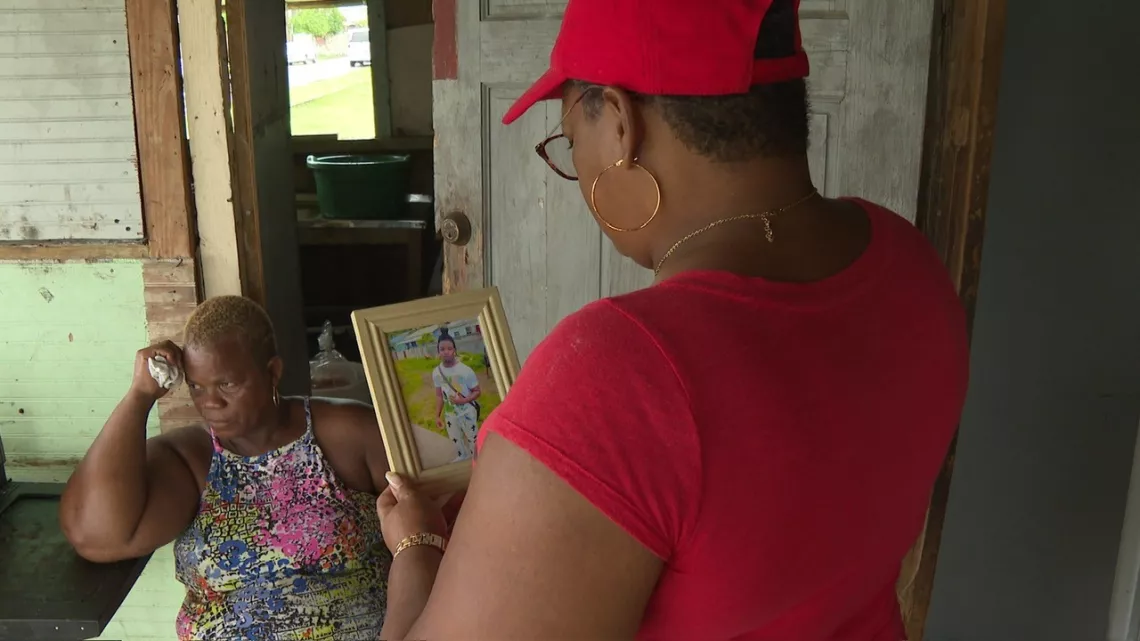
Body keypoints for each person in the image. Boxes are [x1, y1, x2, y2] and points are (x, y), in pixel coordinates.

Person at [374, 0, 969, 639]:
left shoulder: (617, 374)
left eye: (571, 141)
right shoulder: (907, 260)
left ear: (622, 124)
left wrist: (417, 552)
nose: (579, 170)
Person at [59, 296, 393, 641]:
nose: (211, 403)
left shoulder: (346, 434)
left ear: (272, 372)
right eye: (197, 387)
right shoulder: (193, 457)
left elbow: (435, 519)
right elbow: (96, 537)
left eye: (227, 384)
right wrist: (138, 398)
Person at [431, 329, 482, 461]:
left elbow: (477, 391)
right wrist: (437, 415)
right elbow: (439, 395)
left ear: (454, 350)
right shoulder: (437, 373)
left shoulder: (465, 370)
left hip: (467, 413)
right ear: (438, 352)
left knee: (473, 440)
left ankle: (477, 461)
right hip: (450, 415)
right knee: (456, 440)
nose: (446, 351)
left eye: (449, 348)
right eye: (442, 349)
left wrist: (463, 401)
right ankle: (462, 456)